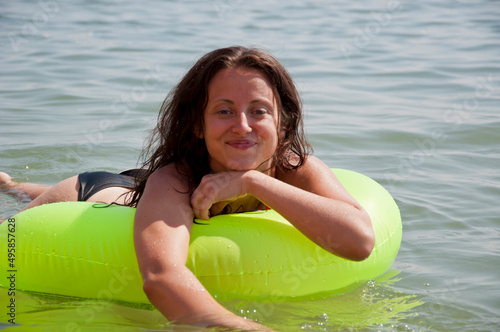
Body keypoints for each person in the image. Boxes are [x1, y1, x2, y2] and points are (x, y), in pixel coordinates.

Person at [0, 46, 375, 330]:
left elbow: (359, 241)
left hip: (145, 184)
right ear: (198, 124)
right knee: (19, 208)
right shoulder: (175, 180)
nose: (242, 126)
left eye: (259, 111)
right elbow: (161, 276)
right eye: (224, 110)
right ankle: (13, 185)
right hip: (97, 194)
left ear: (282, 123)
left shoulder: (296, 168)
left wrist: (252, 182)